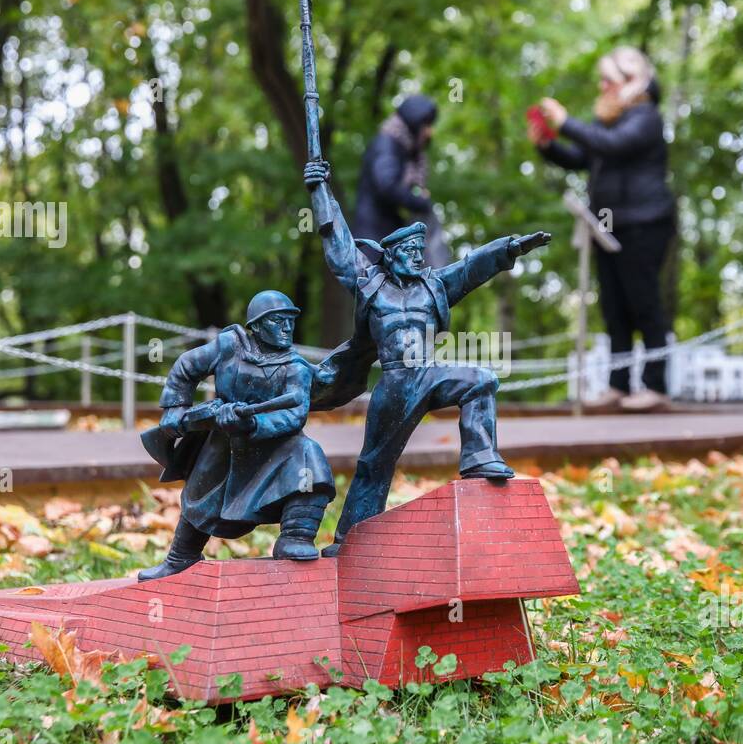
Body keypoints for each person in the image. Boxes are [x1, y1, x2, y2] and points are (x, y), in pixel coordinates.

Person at [304, 157, 551, 555]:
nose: (419, 255)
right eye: (411, 250)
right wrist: (320, 190)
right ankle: (350, 542)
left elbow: (472, 267)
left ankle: (479, 457)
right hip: (395, 383)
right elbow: (339, 244)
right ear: (392, 253)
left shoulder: (433, 286)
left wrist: (511, 248)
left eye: (421, 249)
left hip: (429, 373)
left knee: (482, 379)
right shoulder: (371, 286)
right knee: (374, 463)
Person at [137, 290, 335, 580]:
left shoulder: (297, 368)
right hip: (224, 441)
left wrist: (253, 425)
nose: (287, 327)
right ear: (256, 325)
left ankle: (296, 536)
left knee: (309, 461)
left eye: (290, 321)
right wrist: (176, 409)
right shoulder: (229, 346)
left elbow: (294, 414)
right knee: (199, 493)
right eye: (277, 321)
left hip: (277, 446)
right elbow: (186, 367)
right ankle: (181, 557)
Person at [531, 46, 677, 412]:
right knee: (614, 309)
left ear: (630, 82)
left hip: (644, 224)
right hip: (607, 226)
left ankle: (655, 387)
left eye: (608, 80)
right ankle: (618, 385)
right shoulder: (607, 120)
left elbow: (612, 146)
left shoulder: (645, 117)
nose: (602, 86)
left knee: (645, 305)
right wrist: (548, 144)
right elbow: (583, 157)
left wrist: (565, 123)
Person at [354, 94, 448, 265]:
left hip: (385, 237)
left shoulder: (404, 149)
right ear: (415, 121)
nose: (429, 132)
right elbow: (387, 185)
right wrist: (420, 201)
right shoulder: (387, 144)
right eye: (426, 125)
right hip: (374, 239)